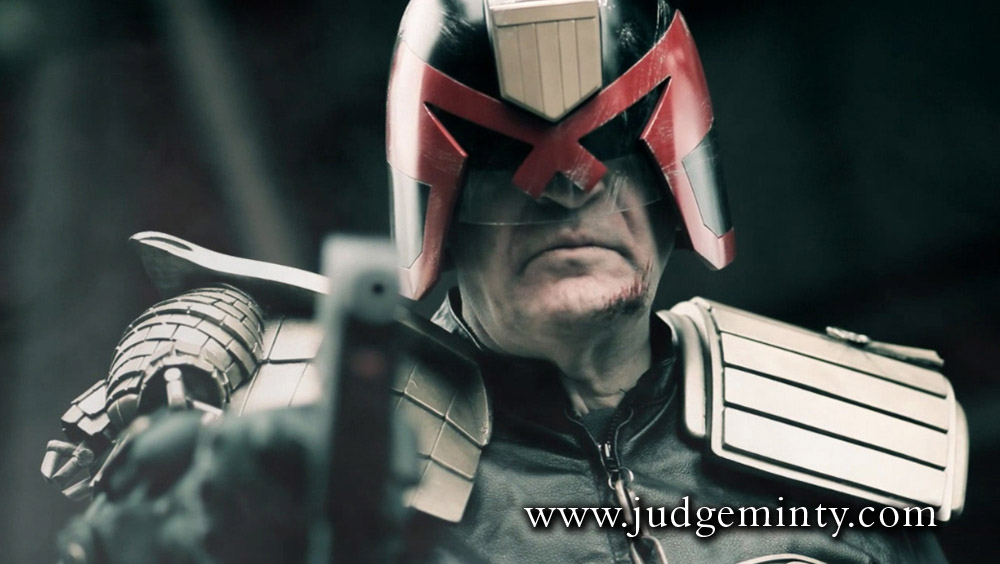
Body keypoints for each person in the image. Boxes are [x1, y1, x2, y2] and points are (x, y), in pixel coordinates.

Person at [41, 0, 968, 562]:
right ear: (435, 203)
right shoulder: (307, 446)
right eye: (501, 160)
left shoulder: (843, 438)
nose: (567, 189)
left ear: (673, 180)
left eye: (611, 146)